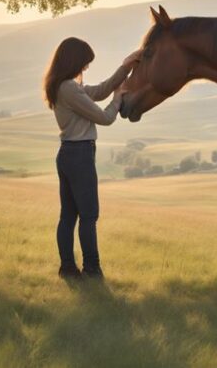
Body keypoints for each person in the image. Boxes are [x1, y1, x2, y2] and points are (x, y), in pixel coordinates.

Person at [42, 37, 141, 279]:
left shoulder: (64, 86)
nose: (85, 68)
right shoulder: (68, 88)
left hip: (68, 154)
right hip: (79, 155)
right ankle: (92, 269)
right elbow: (105, 117)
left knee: (68, 215)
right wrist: (118, 98)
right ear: (74, 60)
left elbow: (99, 91)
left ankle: (67, 268)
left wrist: (126, 67)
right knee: (88, 216)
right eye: (84, 63)